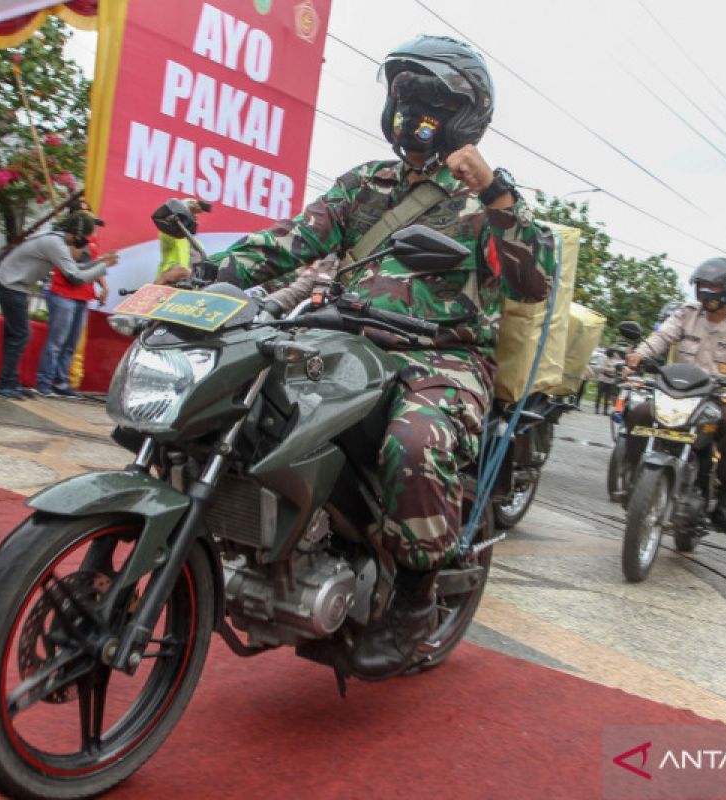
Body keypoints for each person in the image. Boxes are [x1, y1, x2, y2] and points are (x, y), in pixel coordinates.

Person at [207, 34, 554, 677]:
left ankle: (414, 603)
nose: (409, 111)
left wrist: (499, 195)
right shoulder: (365, 184)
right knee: (244, 399)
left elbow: (533, 283)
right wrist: (207, 274)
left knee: (414, 443)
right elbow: (287, 244)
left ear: (464, 115)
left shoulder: (485, 203)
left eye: (426, 100)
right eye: (402, 96)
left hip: (440, 360)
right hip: (341, 337)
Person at [623, 257, 726, 538]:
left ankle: (724, 505)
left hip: (719, 398)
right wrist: (639, 354)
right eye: (702, 285)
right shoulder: (685, 314)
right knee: (640, 413)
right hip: (678, 391)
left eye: (712, 286)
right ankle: (635, 478)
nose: (705, 291)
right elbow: (662, 337)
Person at [0, 212, 118, 399]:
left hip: (13, 285)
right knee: (20, 334)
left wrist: (101, 262)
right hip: (9, 284)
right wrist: (103, 266)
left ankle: (8, 381)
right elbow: (74, 278)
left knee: (17, 335)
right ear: (77, 235)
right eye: (86, 238)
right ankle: (5, 384)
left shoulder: (58, 241)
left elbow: (75, 269)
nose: (86, 242)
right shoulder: (55, 244)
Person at [36, 199, 110, 399]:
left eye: (90, 212)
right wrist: (80, 237)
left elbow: (93, 264)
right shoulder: (65, 238)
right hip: (63, 294)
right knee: (56, 342)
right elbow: (75, 260)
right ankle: (45, 382)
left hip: (83, 296)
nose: (89, 216)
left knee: (71, 343)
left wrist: (103, 285)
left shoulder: (91, 237)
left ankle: (61, 381)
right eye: (83, 213)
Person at [155, 199, 211, 285]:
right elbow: (171, 226)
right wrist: (187, 210)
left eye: (195, 216)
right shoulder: (170, 235)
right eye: (191, 215)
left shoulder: (198, 245)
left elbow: (200, 270)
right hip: (165, 282)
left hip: (186, 289)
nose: (194, 217)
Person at [594, 348, 620, 414]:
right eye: (614, 353)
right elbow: (602, 368)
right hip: (603, 379)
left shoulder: (615, 361)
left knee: (607, 397)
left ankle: (605, 410)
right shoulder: (604, 359)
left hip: (611, 380)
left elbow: (617, 369)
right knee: (599, 395)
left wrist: (612, 369)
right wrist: (611, 369)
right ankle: (596, 409)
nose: (615, 354)